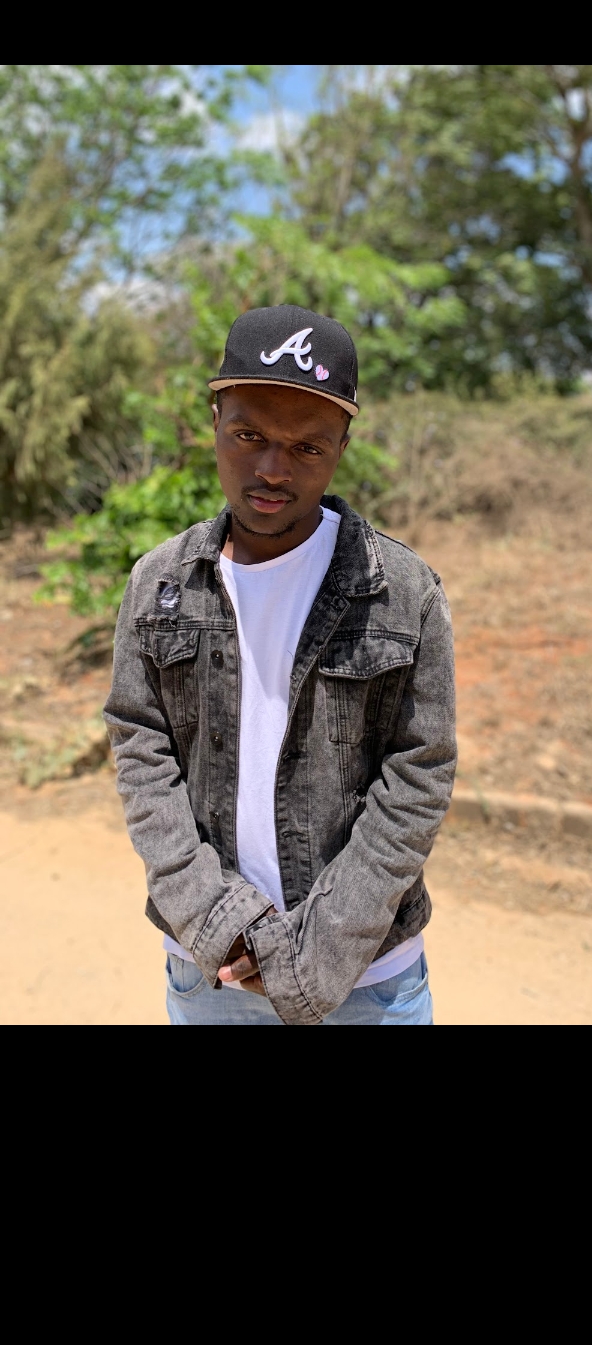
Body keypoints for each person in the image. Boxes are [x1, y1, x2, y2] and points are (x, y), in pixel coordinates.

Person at [104, 304, 457, 1025]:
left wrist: (318, 952)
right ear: (214, 421)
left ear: (342, 447)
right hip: (210, 978)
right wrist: (216, 921)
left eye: (307, 447)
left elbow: (419, 774)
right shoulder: (159, 584)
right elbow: (141, 750)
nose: (272, 469)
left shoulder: (402, 591)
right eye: (249, 435)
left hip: (367, 984)